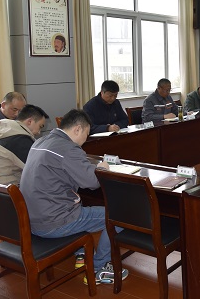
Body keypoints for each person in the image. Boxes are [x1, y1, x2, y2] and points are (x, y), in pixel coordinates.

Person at [19, 109, 128, 284]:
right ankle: (100, 268)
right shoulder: (68, 148)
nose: (85, 139)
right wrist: (102, 167)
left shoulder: (40, 141)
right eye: (86, 134)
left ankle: (81, 253)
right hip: (53, 222)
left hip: (30, 220)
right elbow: (93, 182)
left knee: (77, 200)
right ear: (78, 129)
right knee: (120, 215)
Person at [0, 104, 48, 185]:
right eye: (40, 127)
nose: (39, 132)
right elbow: (39, 170)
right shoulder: (21, 140)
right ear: (29, 121)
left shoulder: (2, 130)